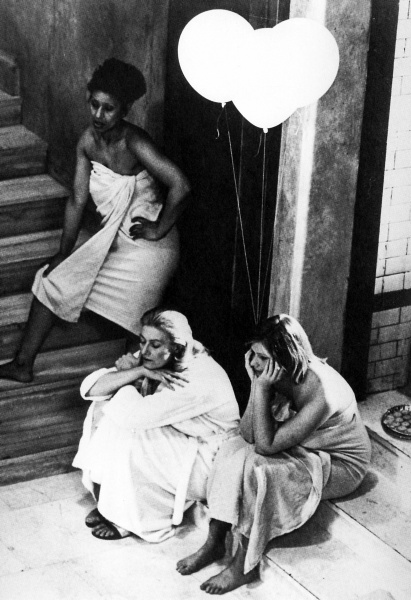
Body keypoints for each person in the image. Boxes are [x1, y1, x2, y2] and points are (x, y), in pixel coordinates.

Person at [0, 58, 190, 383]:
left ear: (124, 110)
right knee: (51, 279)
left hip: (148, 248)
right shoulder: (87, 142)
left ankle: (137, 387)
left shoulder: (135, 142)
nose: (99, 115)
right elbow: (77, 200)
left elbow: (181, 185)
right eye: (94, 105)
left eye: (109, 108)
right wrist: (63, 252)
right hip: (112, 239)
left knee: (139, 323)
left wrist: (159, 229)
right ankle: (22, 365)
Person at [177, 314, 371, 595]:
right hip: (302, 446)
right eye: (252, 354)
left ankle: (244, 564)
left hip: (339, 464)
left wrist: (261, 387)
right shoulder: (276, 374)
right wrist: (256, 386)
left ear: (286, 358)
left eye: (262, 357)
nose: (254, 363)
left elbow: (265, 447)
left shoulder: (323, 392)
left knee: (258, 468)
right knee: (231, 449)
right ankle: (215, 541)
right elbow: (247, 433)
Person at [73, 308, 240, 542]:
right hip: (182, 439)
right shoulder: (157, 356)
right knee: (104, 409)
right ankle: (110, 504)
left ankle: (135, 520)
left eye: (154, 345)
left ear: (177, 348)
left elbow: (133, 416)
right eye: (142, 341)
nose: (144, 351)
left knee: (131, 430)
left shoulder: (196, 377)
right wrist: (138, 370)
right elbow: (90, 389)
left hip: (208, 460)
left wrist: (129, 374)